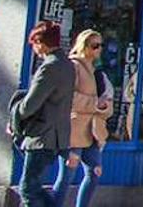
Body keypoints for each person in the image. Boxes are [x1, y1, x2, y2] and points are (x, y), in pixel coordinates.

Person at [13, 22, 76, 207]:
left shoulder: (50, 67)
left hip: (42, 136)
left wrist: (15, 114)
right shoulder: (67, 64)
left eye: (34, 44)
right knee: (34, 187)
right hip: (57, 137)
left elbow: (30, 105)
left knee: (27, 188)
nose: (34, 49)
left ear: (41, 43)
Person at [51, 30, 112, 207]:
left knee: (95, 172)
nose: (99, 49)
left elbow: (107, 101)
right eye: (94, 45)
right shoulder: (73, 66)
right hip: (75, 129)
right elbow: (68, 97)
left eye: (101, 45)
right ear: (83, 46)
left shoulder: (98, 72)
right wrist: (94, 103)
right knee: (67, 176)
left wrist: (104, 106)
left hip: (94, 131)